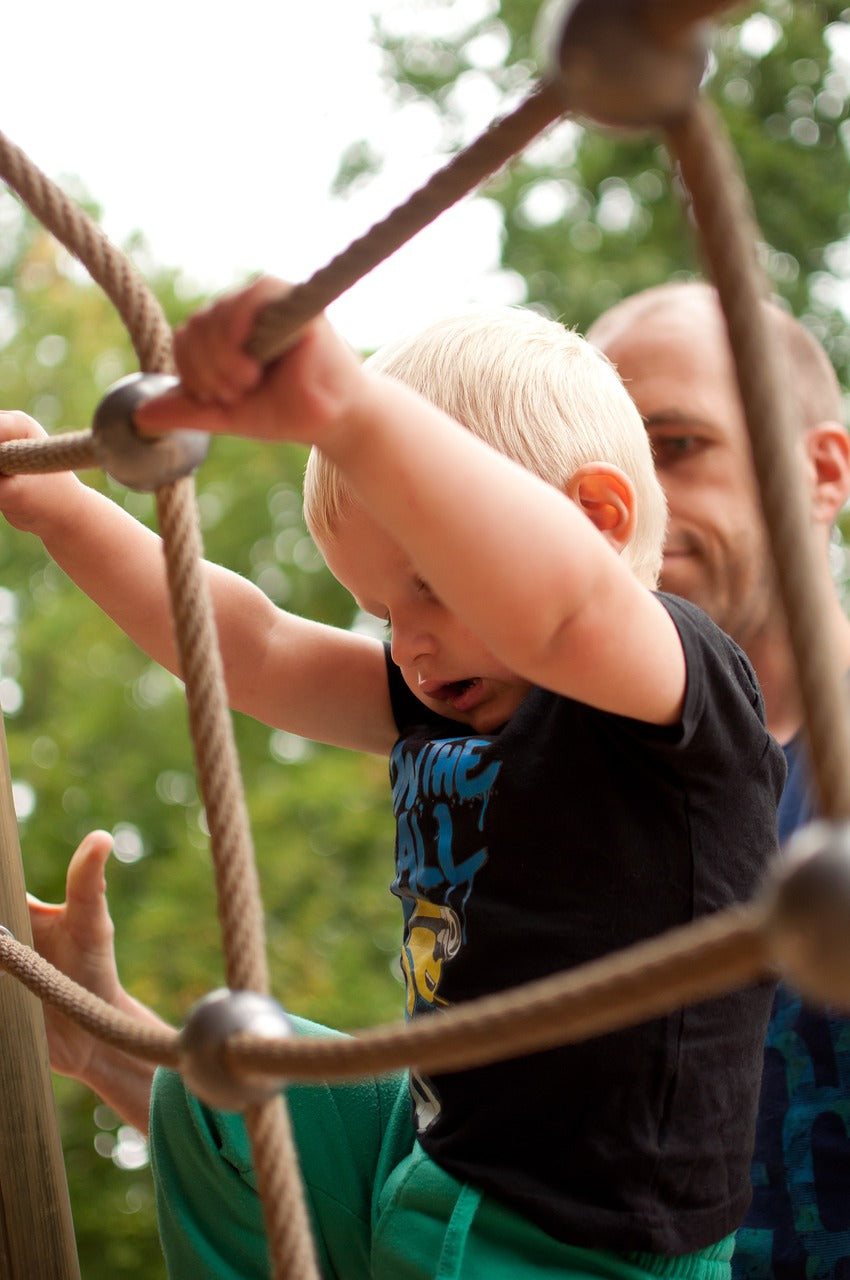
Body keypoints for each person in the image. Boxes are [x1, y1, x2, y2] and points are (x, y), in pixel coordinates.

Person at [7, 283, 785, 1280]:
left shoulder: (670, 691)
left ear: (593, 521)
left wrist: (351, 409)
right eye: (381, 609)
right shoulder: (450, 686)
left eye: (432, 582)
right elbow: (252, 645)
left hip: (586, 1234)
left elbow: (568, 608)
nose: (408, 644)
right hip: (431, 1152)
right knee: (220, 1082)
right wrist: (64, 514)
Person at [588, 280, 850, 1280]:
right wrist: (130, 1062)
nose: (630, 506)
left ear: (820, 473)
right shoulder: (556, 809)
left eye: (677, 446)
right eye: (595, 475)